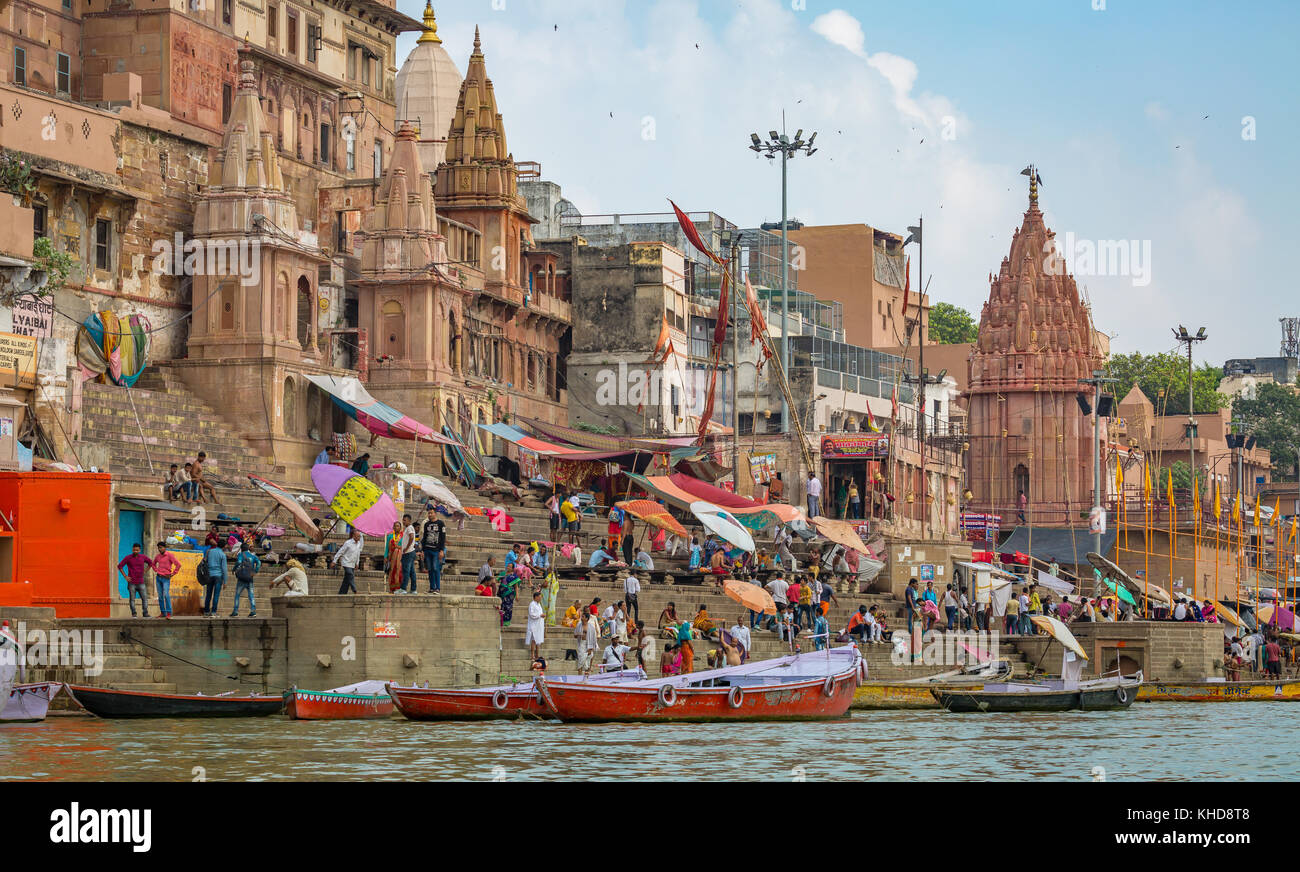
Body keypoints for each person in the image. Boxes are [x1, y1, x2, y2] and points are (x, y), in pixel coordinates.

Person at [116, 543, 154, 619]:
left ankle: (145, 613)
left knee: (144, 598)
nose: (135, 551)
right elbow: (119, 566)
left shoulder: (143, 557)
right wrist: (125, 576)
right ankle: (134, 613)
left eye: (137, 550)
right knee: (132, 599)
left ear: (139, 550)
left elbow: (151, 563)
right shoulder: (128, 558)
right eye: (134, 550)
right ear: (132, 549)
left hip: (141, 582)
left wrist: (145, 571)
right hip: (131, 582)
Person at [420, 505, 447, 593]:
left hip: (436, 550)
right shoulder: (426, 524)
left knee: (436, 569)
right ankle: (432, 587)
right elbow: (424, 537)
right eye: (428, 513)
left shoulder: (441, 523)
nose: (430, 515)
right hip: (427, 549)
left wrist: (442, 550)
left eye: (431, 513)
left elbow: (443, 538)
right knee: (430, 569)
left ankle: (437, 588)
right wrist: (422, 550)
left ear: (435, 514)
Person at [230, 543, 261, 617]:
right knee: (251, 595)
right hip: (250, 578)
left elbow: (239, 562)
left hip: (241, 578)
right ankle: (253, 611)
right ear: (248, 549)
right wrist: (255, 571)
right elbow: (259, 563)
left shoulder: (240, 555)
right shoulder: (252, 556)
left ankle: (235, 611)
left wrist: (233, 569)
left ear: (241, 549)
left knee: (237, 595)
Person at [152, 542, 181, 620]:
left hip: (166, 578)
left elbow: (178, 565)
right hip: (158, 578)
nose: (159, 549)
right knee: (160, 596)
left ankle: (169, 613)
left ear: (165, 547)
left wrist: (172, 574)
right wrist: (156, 570)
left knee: (166, 595)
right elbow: (153, 564)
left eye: (161, 547)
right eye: (158, 548)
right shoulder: (157, 556)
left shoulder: (170, 555)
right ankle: (163, 613)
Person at [332, 530, 364, 595]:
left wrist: (357, 563)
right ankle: (354, 590)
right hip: (346, 562)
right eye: (358, 536)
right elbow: (340, 552)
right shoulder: (348, 543)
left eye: (359, 536)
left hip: (352, 563)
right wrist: (334, 561)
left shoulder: (358, 544)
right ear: (354, 536)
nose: (359, 538)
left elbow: (358, 554)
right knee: (350, 575)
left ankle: (342, 593)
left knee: (346, 579)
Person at [201, 542, 228, 616]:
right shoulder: (222, 555)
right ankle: (213, 612)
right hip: (218, 576)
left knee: (208, 594)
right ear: (224, 546)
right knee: (216, 595)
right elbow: (224, 569)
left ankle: (206, 612)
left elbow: (204, 561)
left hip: (209, 575)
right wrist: (225, 582)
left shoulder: (209, 551)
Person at [396, 514, 418, 594]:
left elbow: (411, 537)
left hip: (408, 553)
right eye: (403, 520)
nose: (403, 521)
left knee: (406, 571)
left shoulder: (409, 528)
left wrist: (406, 548)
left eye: (405, 520)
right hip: (409, 552)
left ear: (409, 520)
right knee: (412, 572)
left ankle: (403, 588)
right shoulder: (408, 528)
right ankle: (413, 589)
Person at [382, 521, 404, 594]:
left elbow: (404, 547)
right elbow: (387, 548)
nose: (396, 527)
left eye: (398, 526)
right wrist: (385, 556)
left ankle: (398, 588)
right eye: (395, 526)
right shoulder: (390, 536)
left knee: (399, 571)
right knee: (391, 571)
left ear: (400, 528)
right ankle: (391, 588)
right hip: (391, 558)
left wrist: (399, 548)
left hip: (400, 558)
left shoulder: (403, 535)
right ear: (393, 527)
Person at [576, 610, 599, 675]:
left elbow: (593, 638)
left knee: (587, 662)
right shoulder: (579, 625)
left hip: (589, 644)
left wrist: (591, 648)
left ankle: (586, 677)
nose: (581, 618)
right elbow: (575, 635)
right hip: (581, 644)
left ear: (586, 618)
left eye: (583, 617)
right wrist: (579, 634)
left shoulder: (591, 627)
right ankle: (579, 676)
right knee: (580, 660)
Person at [526, 589, 546, 660]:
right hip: (534, 625)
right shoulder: (532, 604)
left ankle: (537, 655)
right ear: (535, 597)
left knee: (538, 641)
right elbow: (532, 614)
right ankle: (532, 655)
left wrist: (542, 615)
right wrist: (540, 615)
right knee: (534, 640)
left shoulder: (539, 604)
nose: (540, 598)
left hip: (539, 625)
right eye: (539, 597)